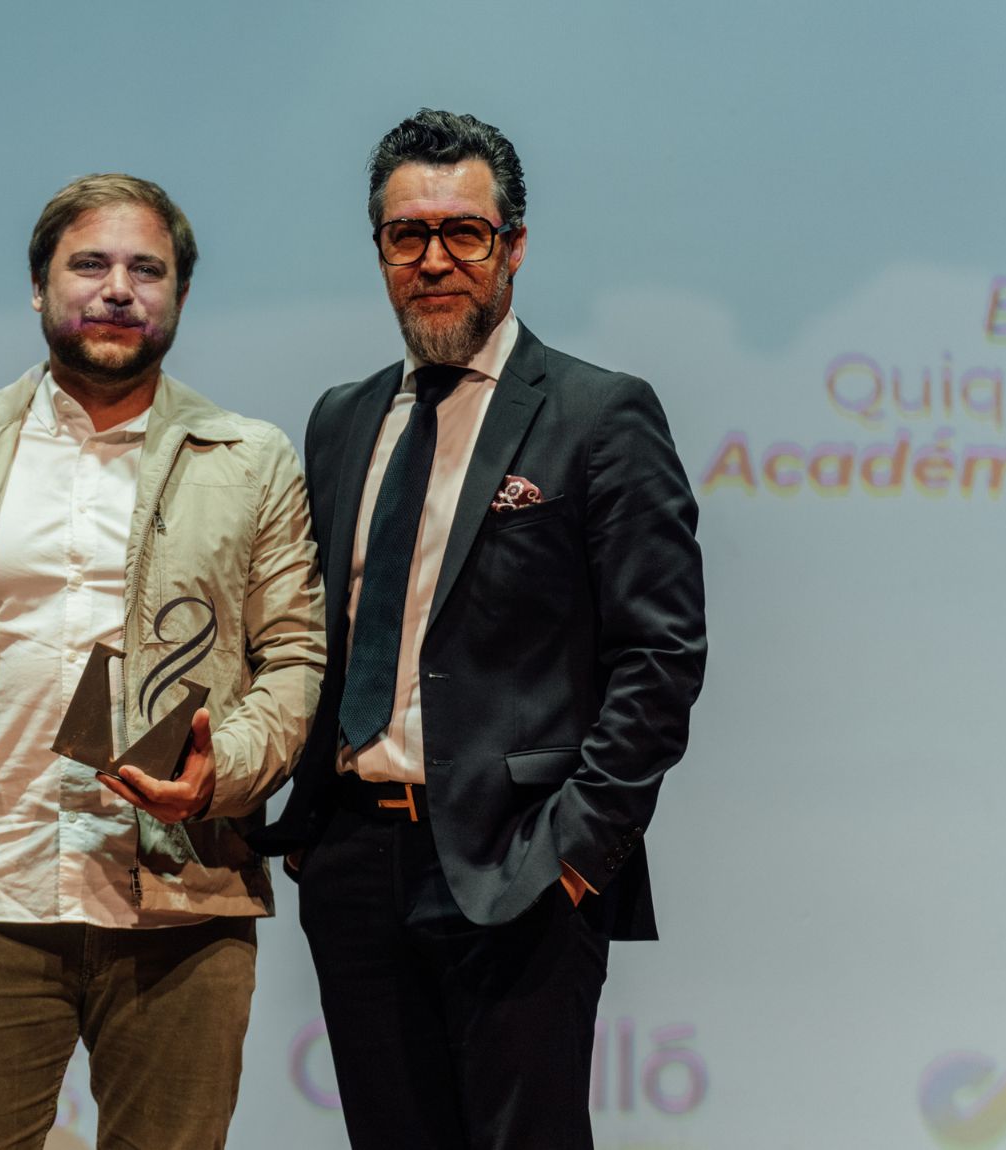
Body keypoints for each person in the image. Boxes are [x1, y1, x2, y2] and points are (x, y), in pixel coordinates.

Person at [0, 173, 325, 1149]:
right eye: (89, 264)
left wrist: (220, 770)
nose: (118, 289)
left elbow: (296, 658)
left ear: (181, 293)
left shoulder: (251, 459)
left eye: (148, 269)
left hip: (183, 907)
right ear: (38, 285)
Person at [253, 110, 708, 1149]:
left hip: (520, 864)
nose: (434, 260)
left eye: (464, 232)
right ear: (379, 249)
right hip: (356, 863)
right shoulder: (341, 418)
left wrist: (577, 854)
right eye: (407, 235)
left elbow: (661, 655)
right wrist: (313, 839)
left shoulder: (599, 413)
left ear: (514, 245)